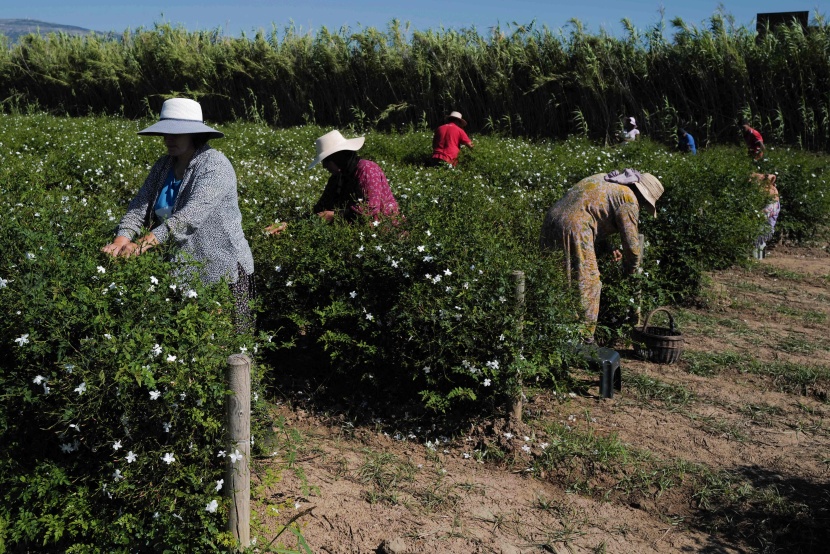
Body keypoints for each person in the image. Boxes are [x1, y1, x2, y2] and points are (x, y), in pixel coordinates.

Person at [102, 98, 255, 331]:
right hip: (180, 269)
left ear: (194, 134)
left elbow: (189, 217)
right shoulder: (164, 165)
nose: (168, 139)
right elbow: (139, 206)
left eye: (177, 133)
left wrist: (141, 245)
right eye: (166, 133)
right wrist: (121, 240)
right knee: (187, 339)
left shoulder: (214, 165)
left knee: (230, 344)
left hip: (221, 269)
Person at [540, 170, 664, 342]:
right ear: (642, 196)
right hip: (574, 229)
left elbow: (591, 210)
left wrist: (608, 246)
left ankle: (548, 330)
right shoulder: (628, 199)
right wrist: (630, 272)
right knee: (589, 284)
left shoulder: (605, 179)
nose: (642, 207)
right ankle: (583, 339)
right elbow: (633, 247)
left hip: (551, 221)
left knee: (556, 278)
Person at [265, 130, 400, 235]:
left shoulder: (367, 169)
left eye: (326, 161)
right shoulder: (338, 178)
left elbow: (370, 209)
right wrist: (288, 225)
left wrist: (335, 216)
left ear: (337, 157)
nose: (324, 167)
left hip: (384, 231)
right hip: (355, 233)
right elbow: (319, 211)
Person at [751, 173, 780, 259]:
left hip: (770, 206)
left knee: (760, 233)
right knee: (760, 232)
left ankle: (758, 257)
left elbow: (763, 215)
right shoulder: (769, 191)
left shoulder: (771, 196)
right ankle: (758, 256)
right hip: (769, 207)